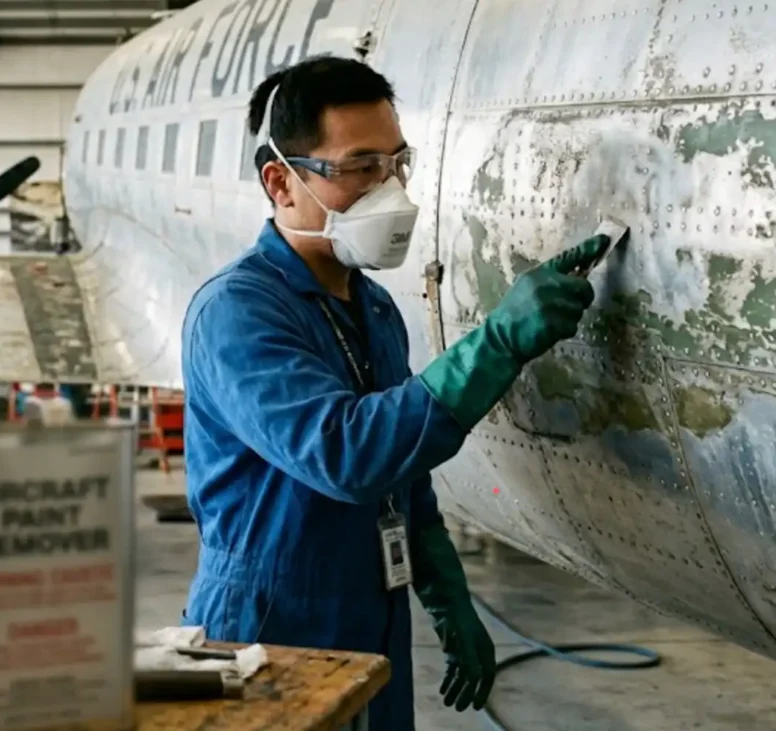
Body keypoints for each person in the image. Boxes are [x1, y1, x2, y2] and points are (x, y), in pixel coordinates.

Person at [179, 57, 611, 730]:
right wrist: (496, 343)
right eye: (360, 169)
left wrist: (443, 589)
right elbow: (348, 453)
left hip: (369, 615)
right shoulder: (238, 312)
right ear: (280, 181)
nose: (391, 189)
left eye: (396, 162)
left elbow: (402, 477)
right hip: (265, 624)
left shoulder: (371, 306)